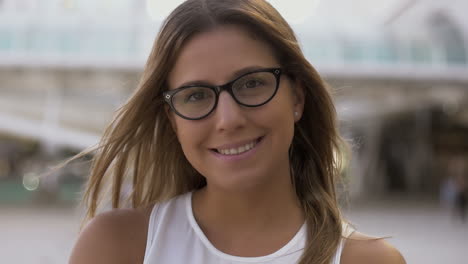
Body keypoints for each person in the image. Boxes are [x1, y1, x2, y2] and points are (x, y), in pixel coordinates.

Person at [69, 0, 406, 263]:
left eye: (252, 84)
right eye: (196, 95)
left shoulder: (368, 260)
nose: (228, 119)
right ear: (173, 120)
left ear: (297, 98)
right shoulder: (117, 246)